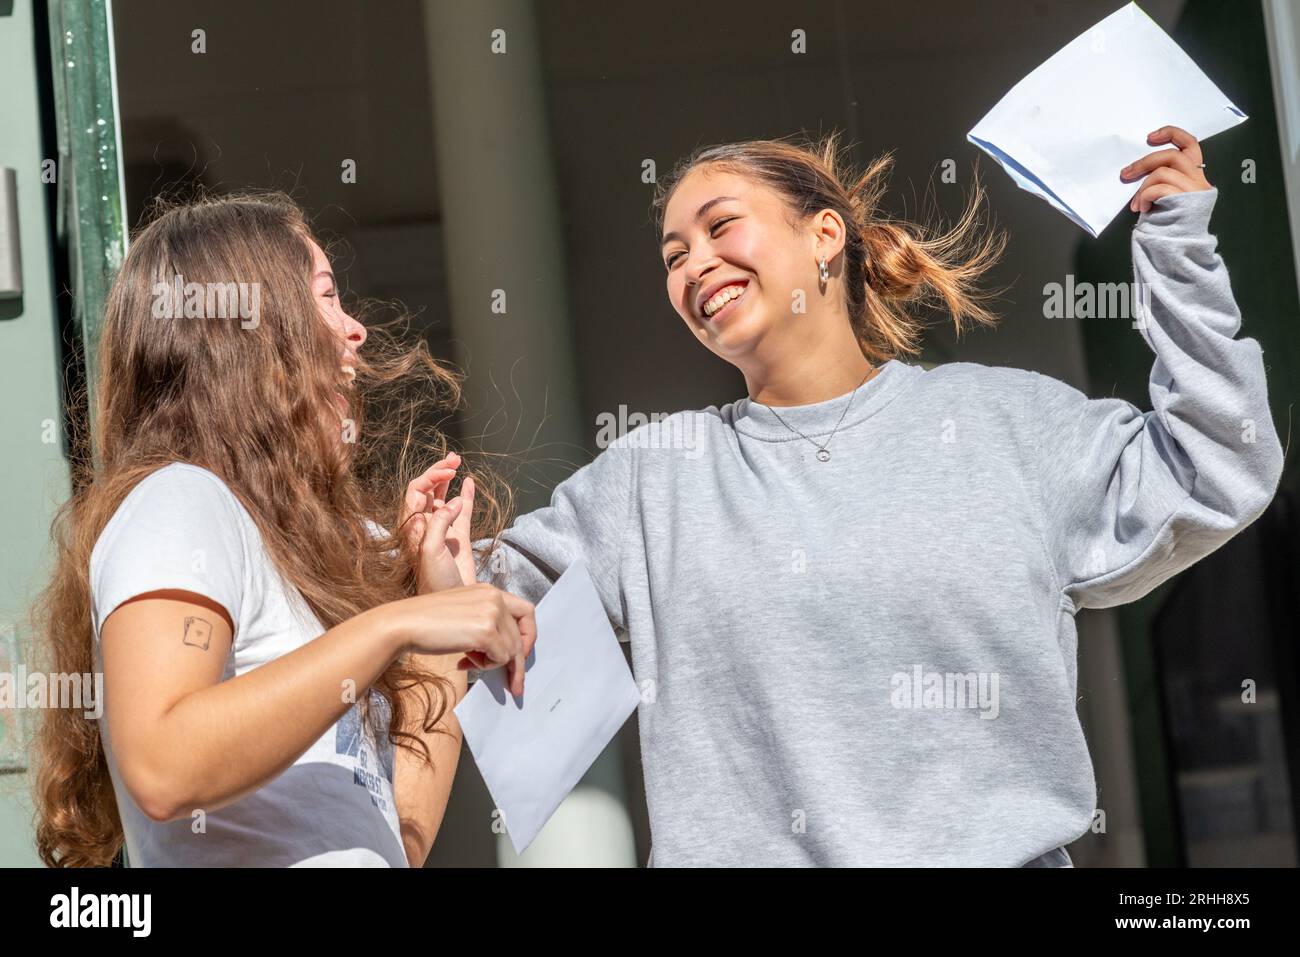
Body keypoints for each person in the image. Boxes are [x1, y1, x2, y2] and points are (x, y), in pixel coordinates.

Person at [434, 127, 1284, 866]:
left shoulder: (1005, 425)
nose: (695, 263)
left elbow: (1218, 463)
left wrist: (1177, 244)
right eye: (673, 255)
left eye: (720, 225)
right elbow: (460, 606)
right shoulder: (652, 478)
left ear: (824, 237)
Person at [32, 192, 535, 867]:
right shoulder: (181, 502)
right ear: (246, 330)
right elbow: (162, 765)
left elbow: (399, 843)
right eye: (325, 297)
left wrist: (434, 615)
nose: (355, 329)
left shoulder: (287, 545)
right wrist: (395, 626)